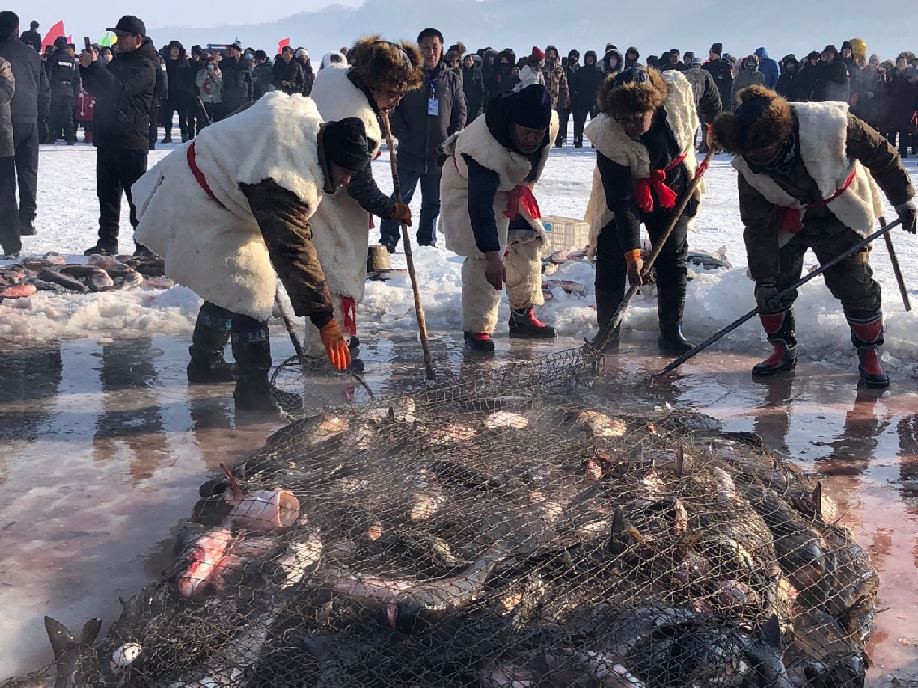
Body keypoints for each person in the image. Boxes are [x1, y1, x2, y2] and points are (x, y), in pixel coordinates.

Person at [134, 95, 369, 413]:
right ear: (330, 156)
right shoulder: (285, 176)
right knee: (251, 291)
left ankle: (205, 362)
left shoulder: (307, 118)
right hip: (200, 198)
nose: (347, 180)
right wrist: (325, 319)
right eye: (345, 172)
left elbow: (271, 101)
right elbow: (292, 251)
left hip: (215, 188)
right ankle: (254, 392)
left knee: (225, 285)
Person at [712, 85, 915, 388]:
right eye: (751, 154)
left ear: (780, 136)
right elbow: (757, 224)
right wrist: (765, 278)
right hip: (786, 215)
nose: (758, 160)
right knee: (772, 287)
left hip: (839, 206)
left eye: (764, 152)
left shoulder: (829, 123)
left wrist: (904, 199)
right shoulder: (748, 165)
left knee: (854, 283)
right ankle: (782, 350)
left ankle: (869, 354)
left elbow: (881, 154)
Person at [305, 36, 422, 364]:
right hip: (333, 197)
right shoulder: (361, 119)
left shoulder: (333, 76)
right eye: (392, 93)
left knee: (326, 270)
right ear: (374, 83)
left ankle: (335, 341)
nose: (396, 102)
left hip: (316, 183)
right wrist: (391, 208)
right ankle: (328, 350)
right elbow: (361, 186)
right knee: (338, 272)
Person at [584, 67, 716, 355]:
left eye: (637, 118)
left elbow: (706, 80)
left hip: (672, 185)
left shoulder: (678, 92)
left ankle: (671, 332)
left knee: (672, 256)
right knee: (611, 255)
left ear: (653, 107)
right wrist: (632, 255)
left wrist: (714, 123)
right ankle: (607, 335)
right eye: (623, 119)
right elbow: (622, 202)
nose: (630, 125)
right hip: (624, 189)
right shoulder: (607, 135)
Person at [440, 84, 559, 351]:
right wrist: (494, 256)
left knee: (528, 241)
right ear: (514, 124)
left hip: (513, 183)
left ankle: (522, 314)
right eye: (525, 132)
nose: (531, 139)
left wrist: (525, 184)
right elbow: (480, 207)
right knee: (483, 256)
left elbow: (540, 152)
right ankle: (477, 328)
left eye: (536, 134)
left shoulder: (549, 126)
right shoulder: (484, 149)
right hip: (469, 183)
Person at [381, 27, 466, 251]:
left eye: (435, 47)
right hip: (410, 150)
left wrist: (452, 137)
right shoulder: (409, 76)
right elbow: (393, 108)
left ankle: (426, 241)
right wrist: (403, 134)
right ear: (419, 49)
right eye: (426, 47)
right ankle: (388, 240)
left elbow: (461, 110)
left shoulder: (451, 78)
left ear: (442, 48)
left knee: (432, 202)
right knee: (400, 198)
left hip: (438, 153)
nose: (430, 52)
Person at [79, 15, 156, 256]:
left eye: (123, 36)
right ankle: (107, 241)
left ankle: (144, 245)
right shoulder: (119, 60)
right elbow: (98, 88)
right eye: (117, 36)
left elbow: (119, 89)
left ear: (138, 39)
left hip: (131, 138)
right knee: (107, 194)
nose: (118, 40)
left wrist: (95, 67)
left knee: (136, 197)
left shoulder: (146, 65)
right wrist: (87, 70)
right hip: (108, 135)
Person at [0, 11, 49, 246]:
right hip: (29, 117)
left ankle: (8, 225)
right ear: (17, 29)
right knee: (28, 172)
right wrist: (42, 117)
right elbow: (44, 88)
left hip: (5, 120)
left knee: (5, 176)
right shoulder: (32, 54)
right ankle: (27, 220)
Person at [47, 36, 80, 144]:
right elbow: (76, 78)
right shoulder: (72, 60)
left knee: (52, 115)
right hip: (69, 90)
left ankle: (50, 137)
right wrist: (76, 93)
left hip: (56, 90)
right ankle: (70, 138)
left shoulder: (53, 58)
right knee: (68, 116)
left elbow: (48, 75)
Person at [570, 50, 603, 148]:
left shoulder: (599, 72)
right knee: (580, 122)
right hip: (581, 101)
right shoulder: (580, 71)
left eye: (591, 58)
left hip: (594, 101)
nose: (590, 59)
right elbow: (574, 85)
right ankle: (578, 141)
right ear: (585, 59)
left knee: (594, 124)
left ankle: (594, 142)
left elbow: (602, 87)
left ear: (594, 59)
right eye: (588, 58)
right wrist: (576, 96)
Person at [162, 41, 192, 143]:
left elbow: (189, 78)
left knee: (183, 116)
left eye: (177, 49)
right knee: (167, 117)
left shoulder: (184, 63)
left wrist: (188, 91)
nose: (175, 51)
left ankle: (184, 135)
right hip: (168, 93)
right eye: (173, 48)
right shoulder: (164, 62)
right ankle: (167, 135)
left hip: (182, 94)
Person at [0, 56, 15, 255]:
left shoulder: (3, 65)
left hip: (1, 142)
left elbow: (5, 93)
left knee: (5, 196)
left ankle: (11, 245)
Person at [220, 42, 253, 116]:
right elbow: (220, 66)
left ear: (238, 50)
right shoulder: (226, 62)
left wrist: (250, 97)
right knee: (229, 116)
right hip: (229, 95)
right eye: (231, 49)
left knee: (241, 117)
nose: (231, 50)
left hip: (242, 95)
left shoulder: (246, 63)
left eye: (233, 49)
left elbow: (250, 81)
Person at [704, 43, 733, 116]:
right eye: (710, 52)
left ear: (717, 53)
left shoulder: (725, 66)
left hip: (721, 98)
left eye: (712, 52)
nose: (710, 54)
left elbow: (728, 84)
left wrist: (726, 100)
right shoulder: (706, 66)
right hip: (708, 99)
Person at [557, 49, 579, 147]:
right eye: (571, 56)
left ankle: (576, 137)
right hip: (565, 97)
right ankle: (562, 137)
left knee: (577, 119)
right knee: (563, 118)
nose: (573, 58)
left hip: (576, 98)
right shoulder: (564, 69)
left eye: (575, 57)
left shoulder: (579, 69)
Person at [542, 45, 570, 119]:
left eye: (553, 53)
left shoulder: (559, 69)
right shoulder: (542, 67)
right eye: (549, 53)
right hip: (543, 100)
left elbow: (564, 85)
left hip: (555, 101)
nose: (551, 55)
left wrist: (565, 100)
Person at [196, 54, 223, 125]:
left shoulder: (220, 72)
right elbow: (198, 84)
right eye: (209, 64)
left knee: (217, 121)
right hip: (205, 100)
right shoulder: (201, 72)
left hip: (216, 100)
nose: (211, 66)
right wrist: (205, 74)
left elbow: (221, 85)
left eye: (212, 64)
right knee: (204, 121)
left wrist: (214, 76)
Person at [462, 52, 485, 121]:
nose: (468, 62)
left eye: (470, 60)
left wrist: (480, 104)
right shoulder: (461, 72)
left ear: (473, 62)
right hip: (463, 101)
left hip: (474, 102)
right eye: (466, 60)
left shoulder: (477, 72)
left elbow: (481, 88)